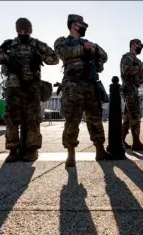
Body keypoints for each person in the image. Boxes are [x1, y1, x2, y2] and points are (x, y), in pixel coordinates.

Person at [0, 18, 59, 163]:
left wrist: (40, 55)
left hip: (32, 86)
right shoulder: (9, 44)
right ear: (17, 30)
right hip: (14, 87)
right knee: (11, 118)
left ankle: (32, 150)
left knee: (33, 119)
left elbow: (54, 60)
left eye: (25, 30)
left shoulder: (36, 44)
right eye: (20, 30)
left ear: (30, 30)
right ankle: (12, 150)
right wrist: (5, 57)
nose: (22, 33)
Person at [54, 14, 113, 167]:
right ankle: (70, 153)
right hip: (73, 84)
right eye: (82, 24)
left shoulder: (89, 42)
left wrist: (94, 48)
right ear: (73, 25)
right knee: (72, 119)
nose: (85, 27)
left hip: (91, 85)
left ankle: (100, 150)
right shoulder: (63, 41)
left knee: (95, 118)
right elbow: (62, 53)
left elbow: (105, 57)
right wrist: (83, 48)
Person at [120, 38, 143, 151]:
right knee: (135, 115)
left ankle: (121, 140)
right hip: (128, 88)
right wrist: (140, 68)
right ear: (133, 45)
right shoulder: (127, 57)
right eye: (139, 45)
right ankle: (136, 142)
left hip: (134, 88)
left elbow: (141, 79)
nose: (141, 48)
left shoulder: (138, 60)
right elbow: (126, 70)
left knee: (128, 117)